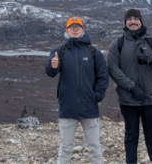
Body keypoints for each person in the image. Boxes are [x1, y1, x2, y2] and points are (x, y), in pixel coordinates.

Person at [108, 9, 152, 164]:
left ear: (141, 21)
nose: (133, 22)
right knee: (131, 136)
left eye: (136, 19)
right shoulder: (118, 44)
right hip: (128, 99)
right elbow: (112, 69)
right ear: (125, 23)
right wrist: (131, 86)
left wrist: (150, 60)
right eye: (129, 19)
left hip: (151, 99)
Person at [45, 16, 109, 164]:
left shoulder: (93, 52)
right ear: (66, 30)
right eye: (71, 27)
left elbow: (103, 76)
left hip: (90, 108)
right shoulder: (59, 52)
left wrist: (97, 96)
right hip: (67, 108)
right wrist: (52, 65)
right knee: (65, 147)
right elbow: (50, 72)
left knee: (94, 147)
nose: (75, 29)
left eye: (77, 26)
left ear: (83, 30)